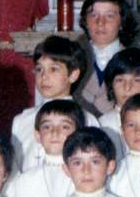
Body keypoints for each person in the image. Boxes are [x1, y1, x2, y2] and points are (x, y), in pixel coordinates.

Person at [12, 35, 93, 170]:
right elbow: (14, 168)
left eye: (53, 69)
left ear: (73, 75)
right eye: (39, 69)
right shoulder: (22, 120)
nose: (44, 76)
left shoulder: (88, 120)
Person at [4, 100, 85, 197]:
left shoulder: (86, 176)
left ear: (78, 133)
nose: (54, 132)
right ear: (37, 135)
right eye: (47, 126)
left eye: (64, 127)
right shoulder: (25, 181)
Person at [77, 0, 138, 116]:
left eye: (109, 16)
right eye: (94, 15)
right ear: (85, 21)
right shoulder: (71, 56)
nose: (100, 23)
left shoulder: (136, 61)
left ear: (122, 22)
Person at [96, 46, 140, 155]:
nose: (127, 87)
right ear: (111, 85)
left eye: (136, 80)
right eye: (120, 80)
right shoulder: (102, 125)